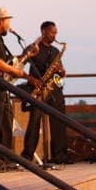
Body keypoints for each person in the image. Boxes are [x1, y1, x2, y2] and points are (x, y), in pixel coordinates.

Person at [0, 7, 39, 171]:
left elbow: (7, 61)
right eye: (7, 21)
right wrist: (18, 72)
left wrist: (26, 55)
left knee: (5, 123)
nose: (9, 25)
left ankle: (5, 157)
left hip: (1, 88)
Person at [20, 21, 69, 166]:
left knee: (59, 120)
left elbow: (60, 74)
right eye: (52, 32)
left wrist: (61, 72)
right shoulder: (34, 48)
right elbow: (21, 61)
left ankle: (60, 155)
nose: (55, 35)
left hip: (53, 89)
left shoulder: (55, 51)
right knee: (34, 121)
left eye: (56, 33)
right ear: (44, 32)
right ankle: (27, 155)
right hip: (38, 89)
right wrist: (32, 80)